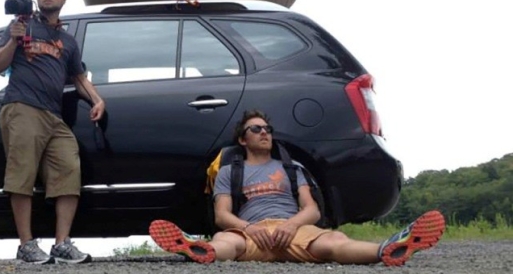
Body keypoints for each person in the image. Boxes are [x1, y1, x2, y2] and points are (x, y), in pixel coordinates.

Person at [149, 109, 445, 266]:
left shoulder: (293, 169)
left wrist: (290, 226)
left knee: (333, 242)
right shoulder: (229, 171)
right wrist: (250, 229)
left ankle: (388, 250)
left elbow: (312, 210)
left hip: (295, 230)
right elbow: (222, 215)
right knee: (227, 240)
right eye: (256, 129)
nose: (264, 133)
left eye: (267, 129)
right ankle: (200, 249)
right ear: (242, 139)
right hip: (252, 233)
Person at [0, 0, 105, 264]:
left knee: (69, 169)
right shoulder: (22, 26)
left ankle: (62, 244)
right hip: (22, 107)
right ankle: (26, 245)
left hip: (54, 115)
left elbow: (78, 77)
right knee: (22, 175)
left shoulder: (68, 41)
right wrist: (14, 40)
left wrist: (97, 100)